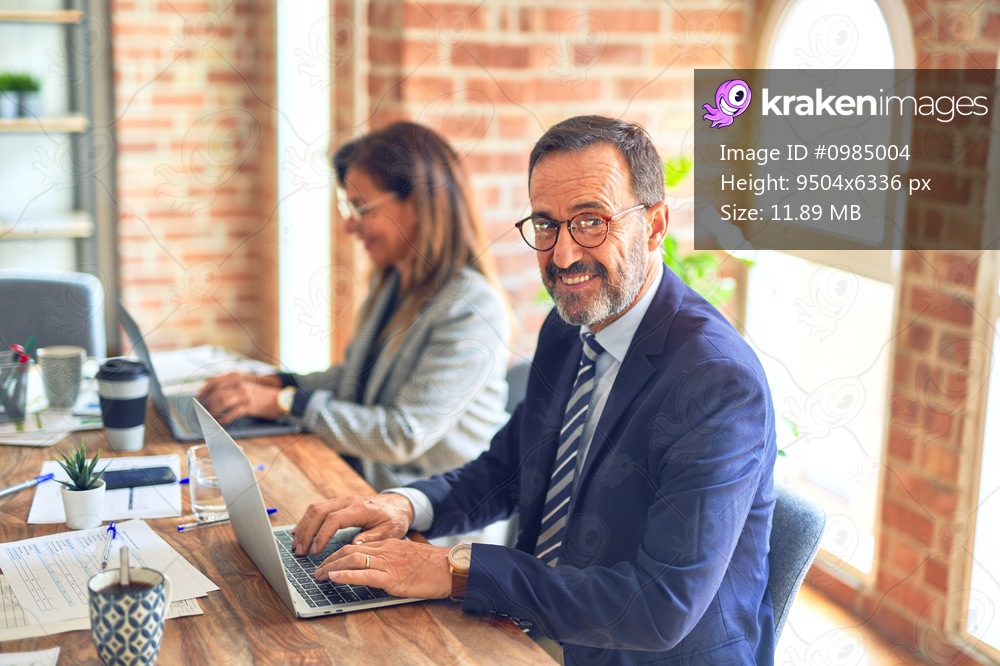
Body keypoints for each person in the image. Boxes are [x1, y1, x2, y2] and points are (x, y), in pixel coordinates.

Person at [291, 115, 777, 665]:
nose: (564, 256)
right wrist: (406, 505)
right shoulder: (569, 325)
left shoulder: (716, 381)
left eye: (591, 221)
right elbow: (510, 467)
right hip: (533, 625)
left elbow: (659, 606)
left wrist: (454, 570)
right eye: (546, 225)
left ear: (655, 224)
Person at [198, 121, 511, 492]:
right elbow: (357, 379)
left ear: (418, 203)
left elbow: (402, 435)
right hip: (366, 488)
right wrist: (273, 383)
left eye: (362, 208)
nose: (350, 225)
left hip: (433, 520)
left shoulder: (472, 308)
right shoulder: (393, 282)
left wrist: (284, 402)